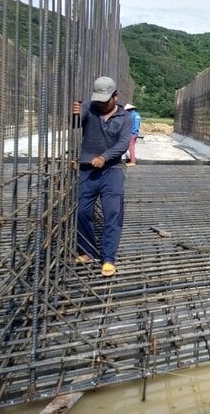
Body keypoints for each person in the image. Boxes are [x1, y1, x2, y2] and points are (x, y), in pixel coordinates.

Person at [72, 76, 133, 277]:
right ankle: (88, 250)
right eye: (99, 100)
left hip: (112, 170)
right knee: (81, 211)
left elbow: (123, 144)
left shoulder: (125, 117)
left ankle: (108, 258)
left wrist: (105, 157)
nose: (102, 104)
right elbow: (75, 125)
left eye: (105, 101)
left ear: (115, 97)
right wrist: (74, 115)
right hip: (88, 169)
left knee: (112, 214)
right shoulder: (89, 107)